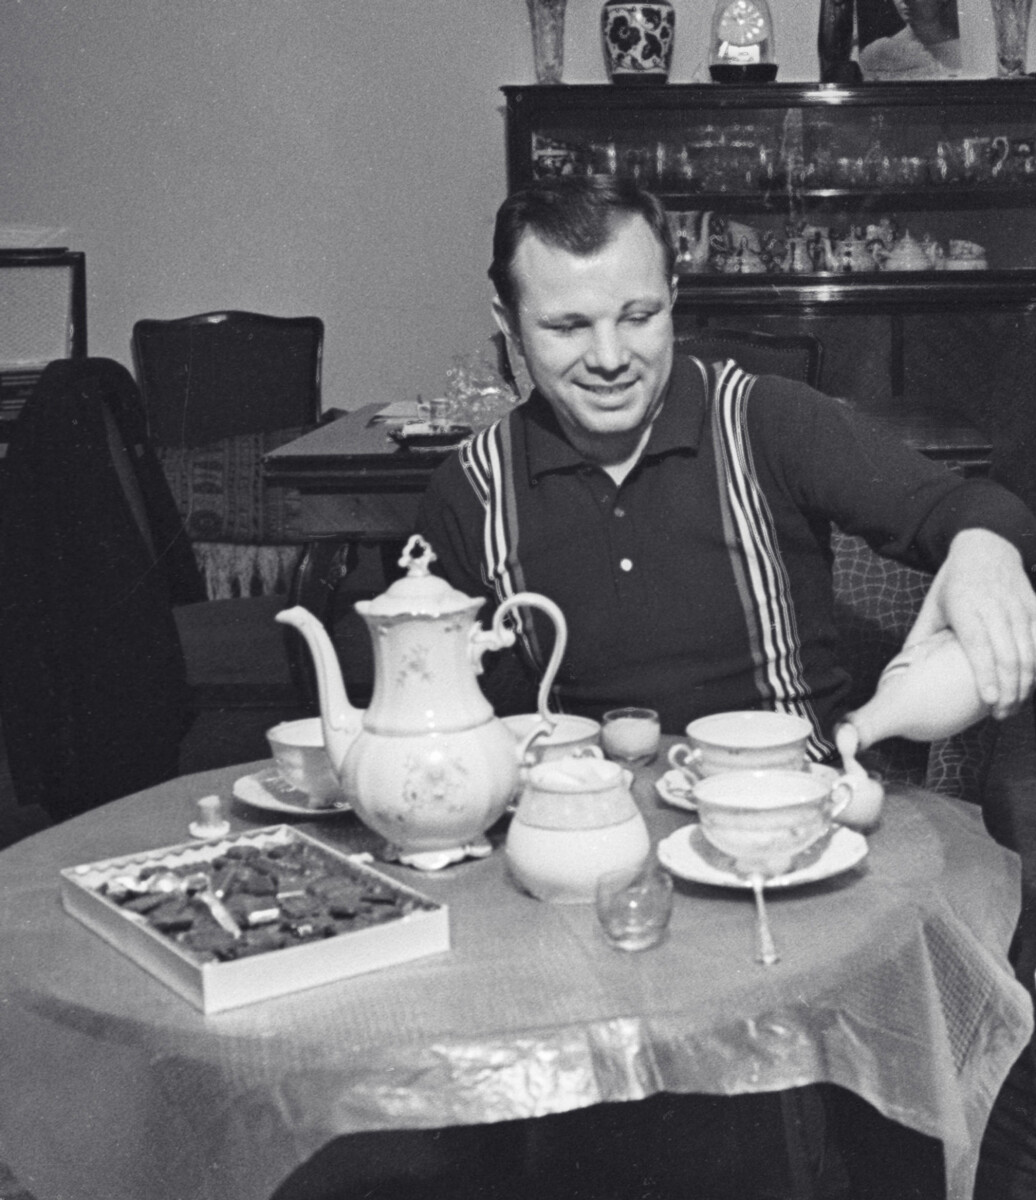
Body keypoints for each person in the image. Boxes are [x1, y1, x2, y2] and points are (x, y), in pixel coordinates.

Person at [417, 175, 1036, 755]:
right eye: (568, 327)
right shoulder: (471, 490)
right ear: (509, 325)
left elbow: (963, 506)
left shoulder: (768, 421)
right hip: (587, 822)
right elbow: (436, 705)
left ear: (674, 299)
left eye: (639, 317)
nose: (610, 358)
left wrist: (985, 547)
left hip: (793, 807)